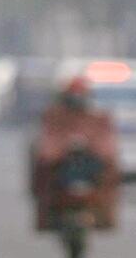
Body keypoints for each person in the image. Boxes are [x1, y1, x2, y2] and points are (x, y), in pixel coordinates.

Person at [30, 76, 120, 232]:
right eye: (74, 95)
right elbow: (48, 146)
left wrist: (90, 148)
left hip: (92, 168)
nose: (77, 100)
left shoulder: (97, 118)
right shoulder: (54, 116)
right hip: (59, 169)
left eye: (80, 95)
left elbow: (106, 147)